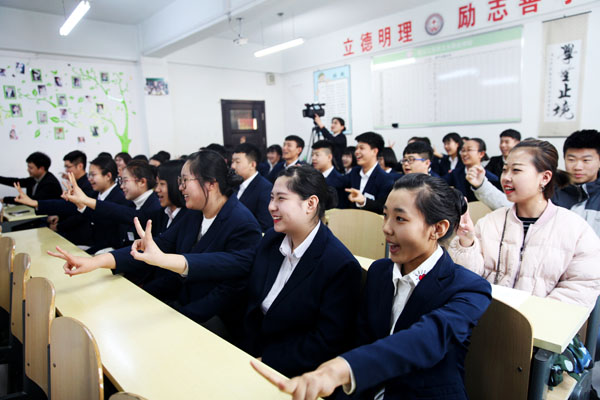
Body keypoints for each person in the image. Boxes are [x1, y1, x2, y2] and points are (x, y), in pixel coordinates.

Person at [251, 173, 492, 400]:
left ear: (438, 229)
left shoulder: (469, 288)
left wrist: (340, 370)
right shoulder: (380, 273)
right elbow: (360, 340)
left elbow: (425, 338)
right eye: (385, 215)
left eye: (400, 219)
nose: (386, 228)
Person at [48, 151, 262, 331]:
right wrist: (95, 262)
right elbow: (155, 248)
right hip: (182, 306)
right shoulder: (193, 214)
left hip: (215, 321)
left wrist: (177, 316)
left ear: (211, 184)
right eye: (179, 182)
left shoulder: (242, 223)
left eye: (185, 181)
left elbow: (227, 291)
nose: (180, 188)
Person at [449, 140, 600, 309]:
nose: (506, 177)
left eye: (516, 170)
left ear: (544, 178)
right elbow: (466, 278)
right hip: (488, 317)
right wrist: (466, 243)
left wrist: (529, 318)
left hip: (542, 322)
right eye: (505, 170)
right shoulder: (490, 222)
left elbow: (581, 287)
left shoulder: (575, 229)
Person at [241, 165, 361, 377]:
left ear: (310, 204)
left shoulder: (339, 264)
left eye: (281, 199)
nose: (271, 206)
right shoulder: (272, 239)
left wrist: (267, 361)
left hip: (292, 370)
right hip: (250, 351)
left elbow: (326, 341)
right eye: (271, 198)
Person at [15, 156, 131, 254]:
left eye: (93, 175)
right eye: (89, 175)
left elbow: (114, 238)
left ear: (108, 176)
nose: (89, 179)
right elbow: (68, 206)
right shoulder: (95, 194)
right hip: (94, 246)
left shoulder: (120, 198)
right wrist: (35, 203)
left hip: (109, 250)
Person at [60, 159, 161, 250]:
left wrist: (85, 200)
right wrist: (80, 203)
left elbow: (123, 213)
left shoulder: (154, 207)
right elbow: (106, 218)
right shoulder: (133, 202)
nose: (121, 186)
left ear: (142, 182)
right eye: (121, 181)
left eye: (125, 181)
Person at [344, 132, 394, 214]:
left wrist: (364, 201)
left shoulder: (386, 179)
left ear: (374, 151)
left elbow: (383, 208)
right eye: (356, 148)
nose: (356, 152)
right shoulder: (354, 172)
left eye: (361, 148)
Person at [231, 143, 273, 232]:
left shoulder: (265, 188)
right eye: (232, 162)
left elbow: (265, 225)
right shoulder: (235, 184)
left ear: (252, 164)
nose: (233, 166)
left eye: (237, 162)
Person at [444, 138, 499, 202]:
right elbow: (440, 183)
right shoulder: (455, 173)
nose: (464, 154)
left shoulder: (491, 178)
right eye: (463, 150)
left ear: (481, 154)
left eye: (469, 150)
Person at [311, 140, 344, 208]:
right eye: (312, 155)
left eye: (317, 155)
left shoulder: (340, 180)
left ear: (329, 157)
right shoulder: (312, 176)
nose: (313, 158)